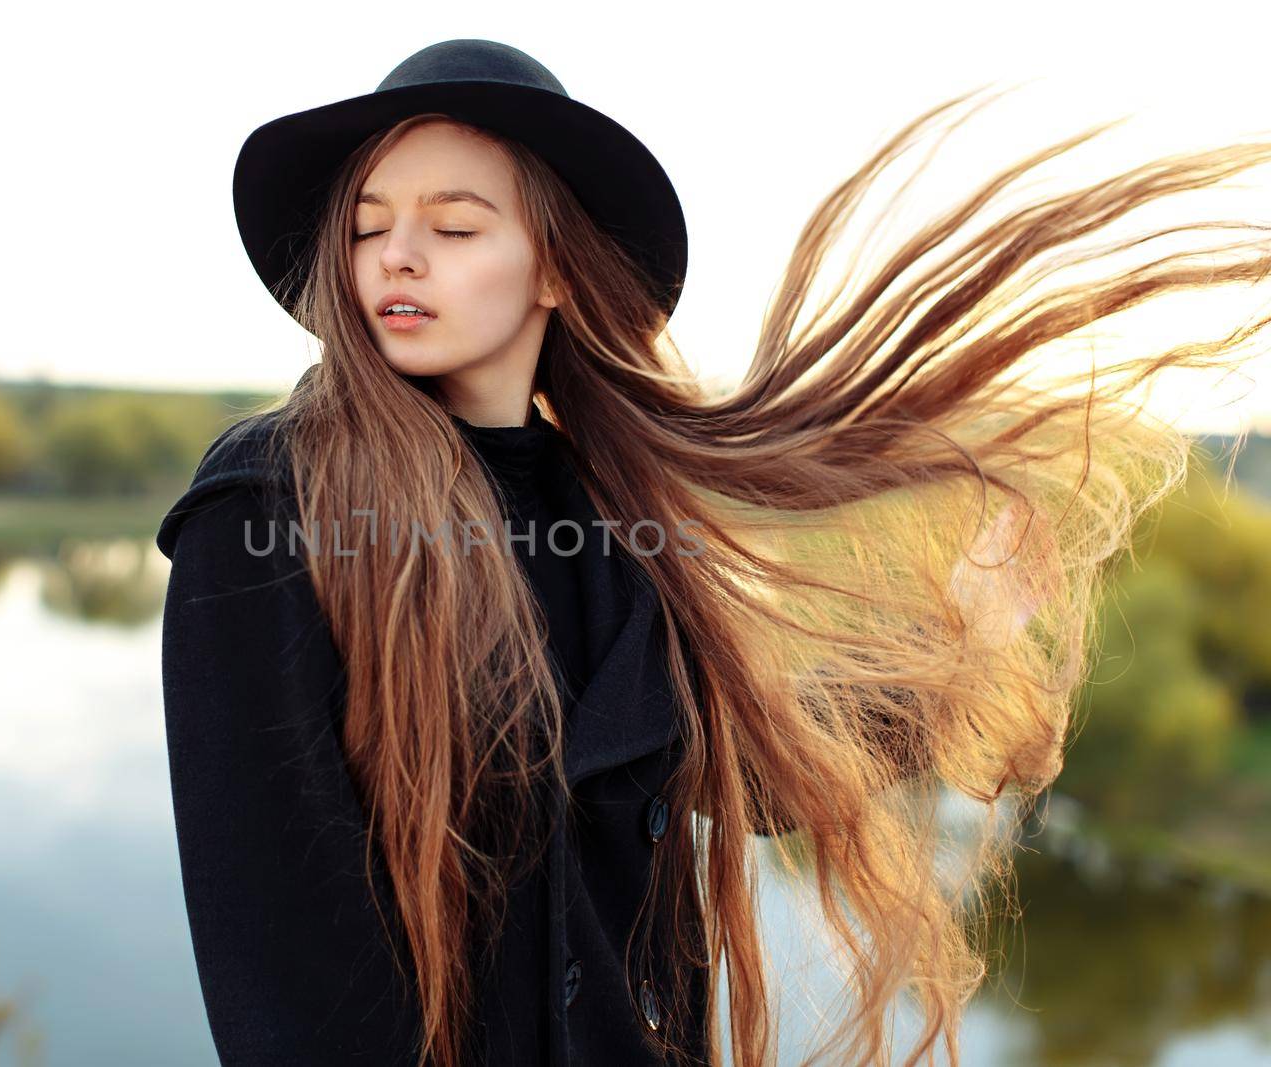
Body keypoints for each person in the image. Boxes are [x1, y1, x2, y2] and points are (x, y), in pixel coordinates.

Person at [156, 38, 1271, 1067]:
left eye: (452, 227)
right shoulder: (271, 503)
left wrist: (951, 643)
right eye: (364, 225)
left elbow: (737, 770)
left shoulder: (613, 516)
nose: (396, 254)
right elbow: (281, 955)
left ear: (555, 270)